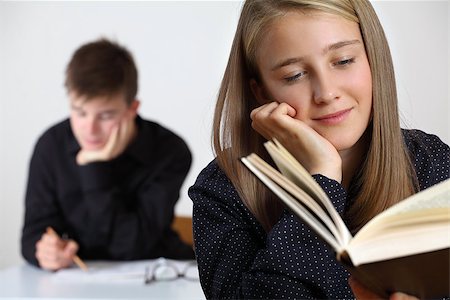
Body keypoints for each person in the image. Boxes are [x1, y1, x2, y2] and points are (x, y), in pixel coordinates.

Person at [188, 0, 450, 299]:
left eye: (343, 61)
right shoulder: (224, 190)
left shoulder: (433, 163)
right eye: (294, 76)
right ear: (261, 92)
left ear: (373, 60)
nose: (326, 93)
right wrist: (321, 183)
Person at [22, 38, 195, 271]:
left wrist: (94, 168)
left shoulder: (170, 150)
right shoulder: (51, 145)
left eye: (105, 116)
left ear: (132, 109)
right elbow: (33, 234)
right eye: (80, 112)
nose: (89, 129)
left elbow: (132, 247)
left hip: (156, 272)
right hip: (77, 279)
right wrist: (44, 252)